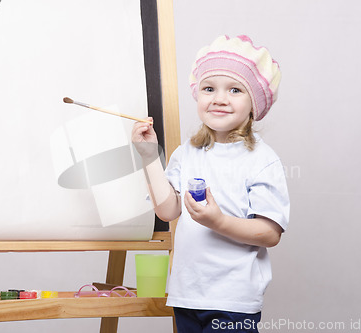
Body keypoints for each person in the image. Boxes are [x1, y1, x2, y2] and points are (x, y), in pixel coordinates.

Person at [132, 35, 289, 333]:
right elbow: (168, 211)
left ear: (254, 103)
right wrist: (149, 157)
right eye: (208, 88)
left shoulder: (261, 160)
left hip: (232, 301)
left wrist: (218, 221)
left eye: (234, 89)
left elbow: (270, 234)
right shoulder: (187, 153)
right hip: (187, 295)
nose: (219, 98)